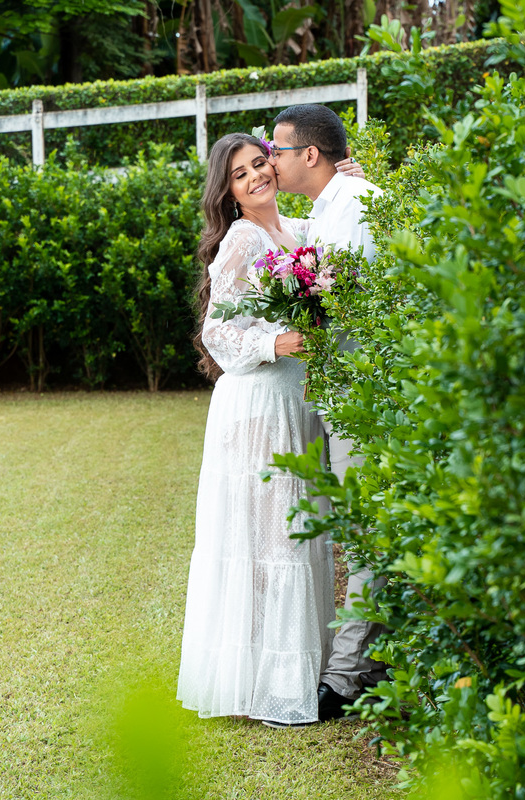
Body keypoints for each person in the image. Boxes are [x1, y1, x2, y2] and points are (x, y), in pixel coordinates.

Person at [176, 132, 364, 728]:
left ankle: (293, 672)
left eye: (260, 163)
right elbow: (217, 331)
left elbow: (337, 229)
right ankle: (262, 682)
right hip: (258, 404)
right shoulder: (242, 238)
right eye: (240, 174)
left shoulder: (299, 231)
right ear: (227, 191)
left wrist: (350, 183)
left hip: (296, 401)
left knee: (297, 537)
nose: (256, 176)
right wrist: (275, 342)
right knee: (267, 544)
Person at [268, 103, 387, 721]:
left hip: (364, 393)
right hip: (338, 390)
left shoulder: (357, 206)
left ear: (309, 154)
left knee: (365, 533)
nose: (270, 160)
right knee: (357, 531)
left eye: (277, 151)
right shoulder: (327, 207)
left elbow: (349, 307)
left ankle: (346, 677)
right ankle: (372, 660)